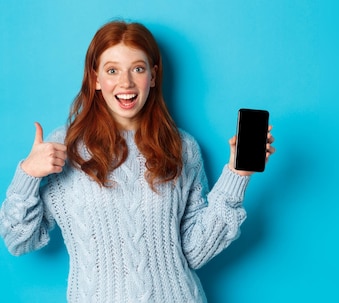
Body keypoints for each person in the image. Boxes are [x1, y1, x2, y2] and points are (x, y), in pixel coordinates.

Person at [0, 20, 275, 303]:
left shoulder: (182, 147)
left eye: (138, 69)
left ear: (153, 76)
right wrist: (28, 174)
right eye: (112, 70)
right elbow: (19, 241)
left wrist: (237, 175)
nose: (126, 83)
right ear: (95, 78)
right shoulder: (65, 146)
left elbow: (195, 252)